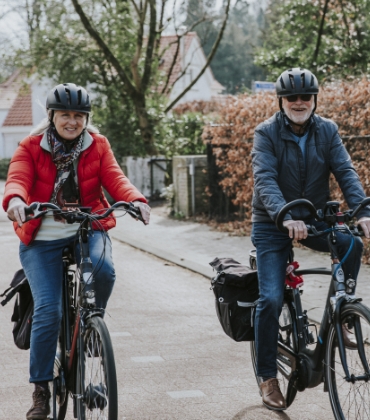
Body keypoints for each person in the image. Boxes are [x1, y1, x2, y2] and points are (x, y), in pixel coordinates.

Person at [2, 83, 151, 419]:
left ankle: (89, 325)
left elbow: (115, 178)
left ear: (86, 118)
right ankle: (41, 389)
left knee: (104, 270)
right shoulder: (30, 146)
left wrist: (137, 201)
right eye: (65, 115)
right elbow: (18, 179)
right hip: (42, 238)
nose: (72, 121)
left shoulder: (97, 145)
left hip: (87, 227)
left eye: (78, 116)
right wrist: (14, 201)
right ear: (52, 116)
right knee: (49, 310)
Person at [251, 67, 370, 411]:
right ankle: (267, 375)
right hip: (273, 223)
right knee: (271, 299)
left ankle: (343, 313)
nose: (299, 103)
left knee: (352, 243)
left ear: (314, 100)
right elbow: (265, 179)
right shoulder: (266, 133)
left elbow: (346, 171)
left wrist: (363, 211)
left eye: (306, 97)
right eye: (293, 98)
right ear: (282, 101)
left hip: (313, 219)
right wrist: (284, 215)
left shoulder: (327, 130)